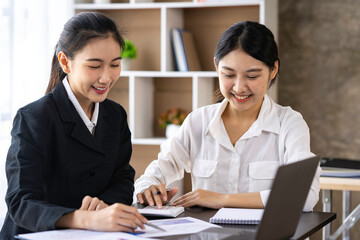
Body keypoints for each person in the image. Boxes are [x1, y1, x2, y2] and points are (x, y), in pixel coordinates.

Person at [135, 21, 321, 211]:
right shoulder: (198, 121)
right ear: (216, 66)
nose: (239, 87)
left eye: (252, 76)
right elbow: (156, 172)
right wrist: (148, 189)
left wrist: (222, 199)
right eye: (229, 75)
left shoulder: (289, 124)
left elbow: (305, 195)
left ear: (273, 70)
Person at [0, 12, 147, 240]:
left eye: (115, 64)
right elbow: (21, 203)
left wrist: (103, 204)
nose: (106, 78)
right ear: (65, 62)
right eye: (95, 66)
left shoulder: (115, 114)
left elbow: (123, 178)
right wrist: (85, 218)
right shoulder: (34, 117)